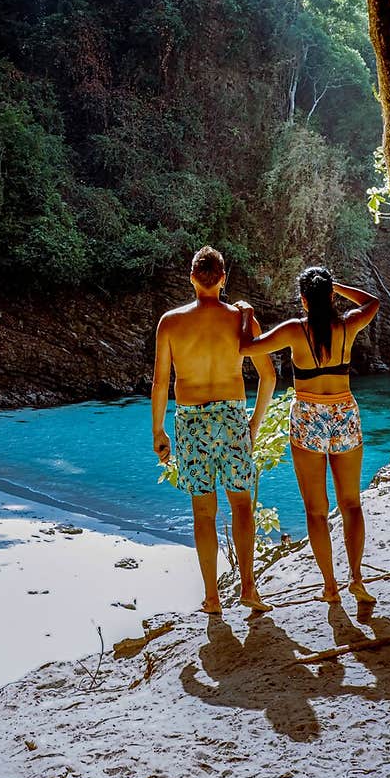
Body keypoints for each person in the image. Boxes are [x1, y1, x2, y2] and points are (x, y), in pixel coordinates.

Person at [237, 267, 380, 610]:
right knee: (352, 503)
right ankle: (356, 578)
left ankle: (330, 587)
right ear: (331, 296)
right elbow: (372, 302)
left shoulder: (293, 330)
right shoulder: (347, 325)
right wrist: (335, 288)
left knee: (316, 511)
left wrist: (246, 315)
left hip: (308, 418)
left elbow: (246, 348)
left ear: (302, 300)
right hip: (344, 414)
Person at [152, 245, 277, 616]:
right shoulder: (242, 321)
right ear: (223, 279)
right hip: (232, 418)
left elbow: (161, 383)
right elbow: (268, 377)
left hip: (190, 420)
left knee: (203, 513)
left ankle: (211, 598)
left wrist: (158, 431)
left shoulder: (170, 322)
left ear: (192, 278)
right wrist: (253, 423)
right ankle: (249, 589)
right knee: (242, 505)